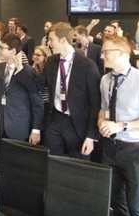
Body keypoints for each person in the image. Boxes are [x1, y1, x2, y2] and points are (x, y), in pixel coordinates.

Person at [98, 35, 139, 216]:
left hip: (135, 149)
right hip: (111, 147)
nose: (102, 56)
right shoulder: (105, 80)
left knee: (136, 204)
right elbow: (104, 108)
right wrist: (102, 121)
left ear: (122, 53)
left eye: (106, 52)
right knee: (116, 200)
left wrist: (122, 125)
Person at [37, 22, 101, 159]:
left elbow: (96, 104)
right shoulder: (52, 61)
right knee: (52, 163)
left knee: (78, 168)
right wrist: (18, 69)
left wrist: (91, 136)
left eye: (51, 40)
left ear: (63, 40)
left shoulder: (88, 66)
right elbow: (36, 84)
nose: (49, 43)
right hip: (55, 120)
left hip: (77, 124)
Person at [0, 33, 43, 151]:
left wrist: (36, 129)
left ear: (13, 51)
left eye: (1, 48)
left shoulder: (28, 71)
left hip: (18, 125)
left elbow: (37, 103)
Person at [32, 45, 51, 146]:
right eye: (34, 54)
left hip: (45, 106)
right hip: (34, 105)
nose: (35, 57)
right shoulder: (32, 70)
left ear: (45, 57)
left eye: (38, 55)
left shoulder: (49, 72)